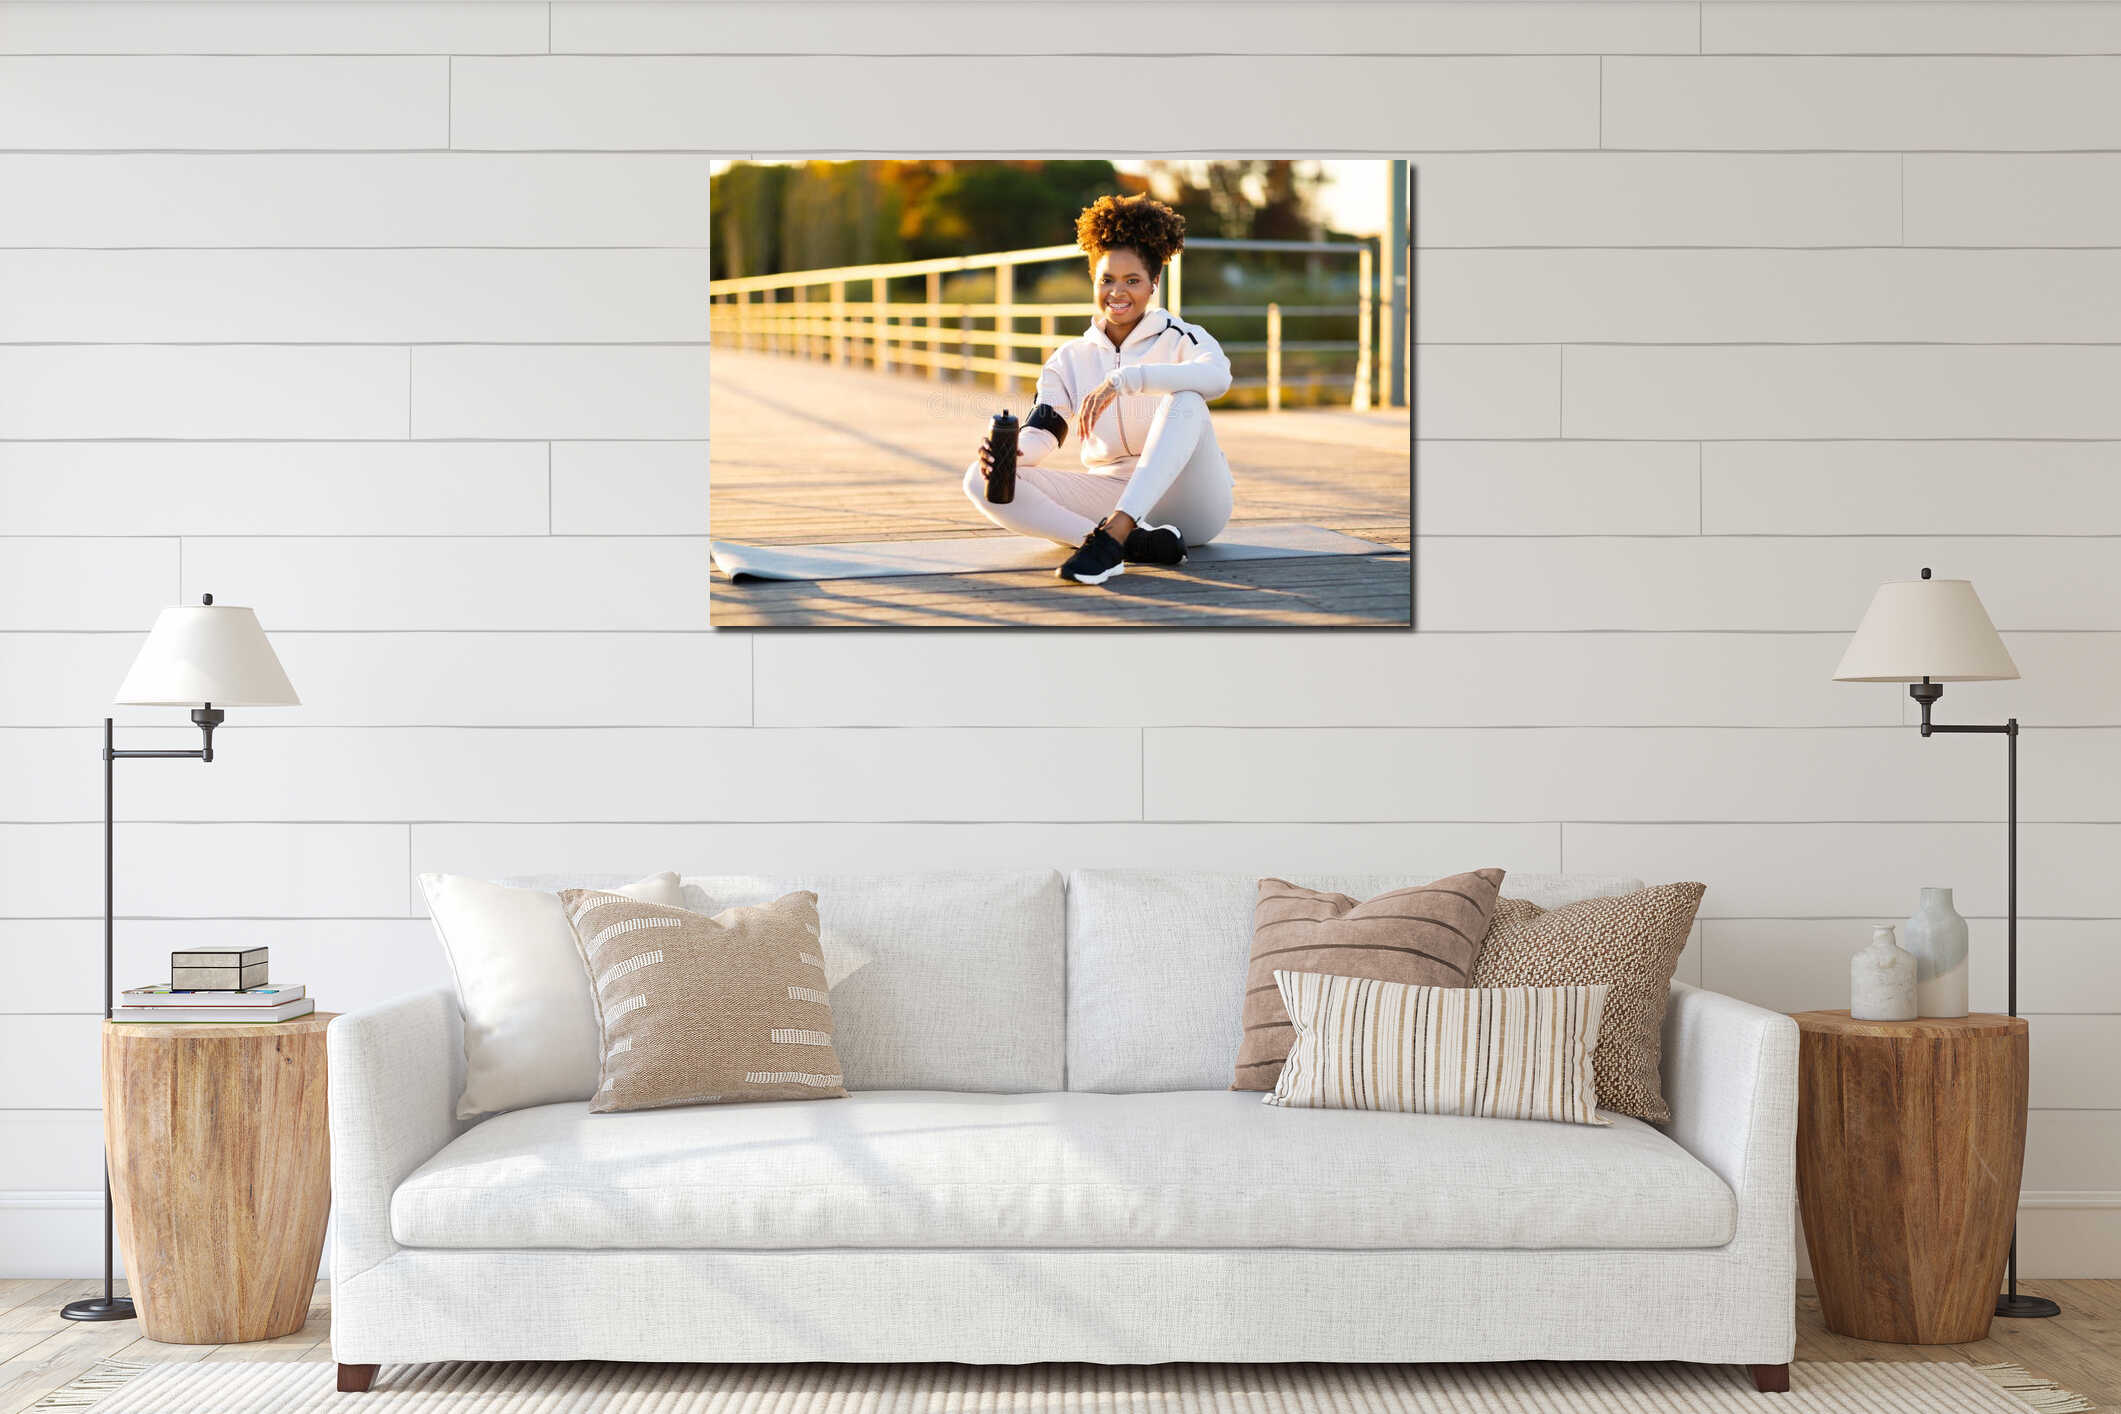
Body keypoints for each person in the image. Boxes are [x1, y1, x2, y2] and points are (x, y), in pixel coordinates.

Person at [964, 192, 1234, 585]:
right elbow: (1043, 431)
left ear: (1154, 283)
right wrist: (1011, 455)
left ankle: (1114, 536)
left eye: (1133, 281)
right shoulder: (1069, 359)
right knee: (978, 479)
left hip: (1192, 501)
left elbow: (1218, 378)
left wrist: (1127, 381)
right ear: (1094, 279)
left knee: (1188, 399)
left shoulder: (1181, 337)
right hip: (1111, 492)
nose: (1117, 292)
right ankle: (1117, 543)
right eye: (1107, 279)